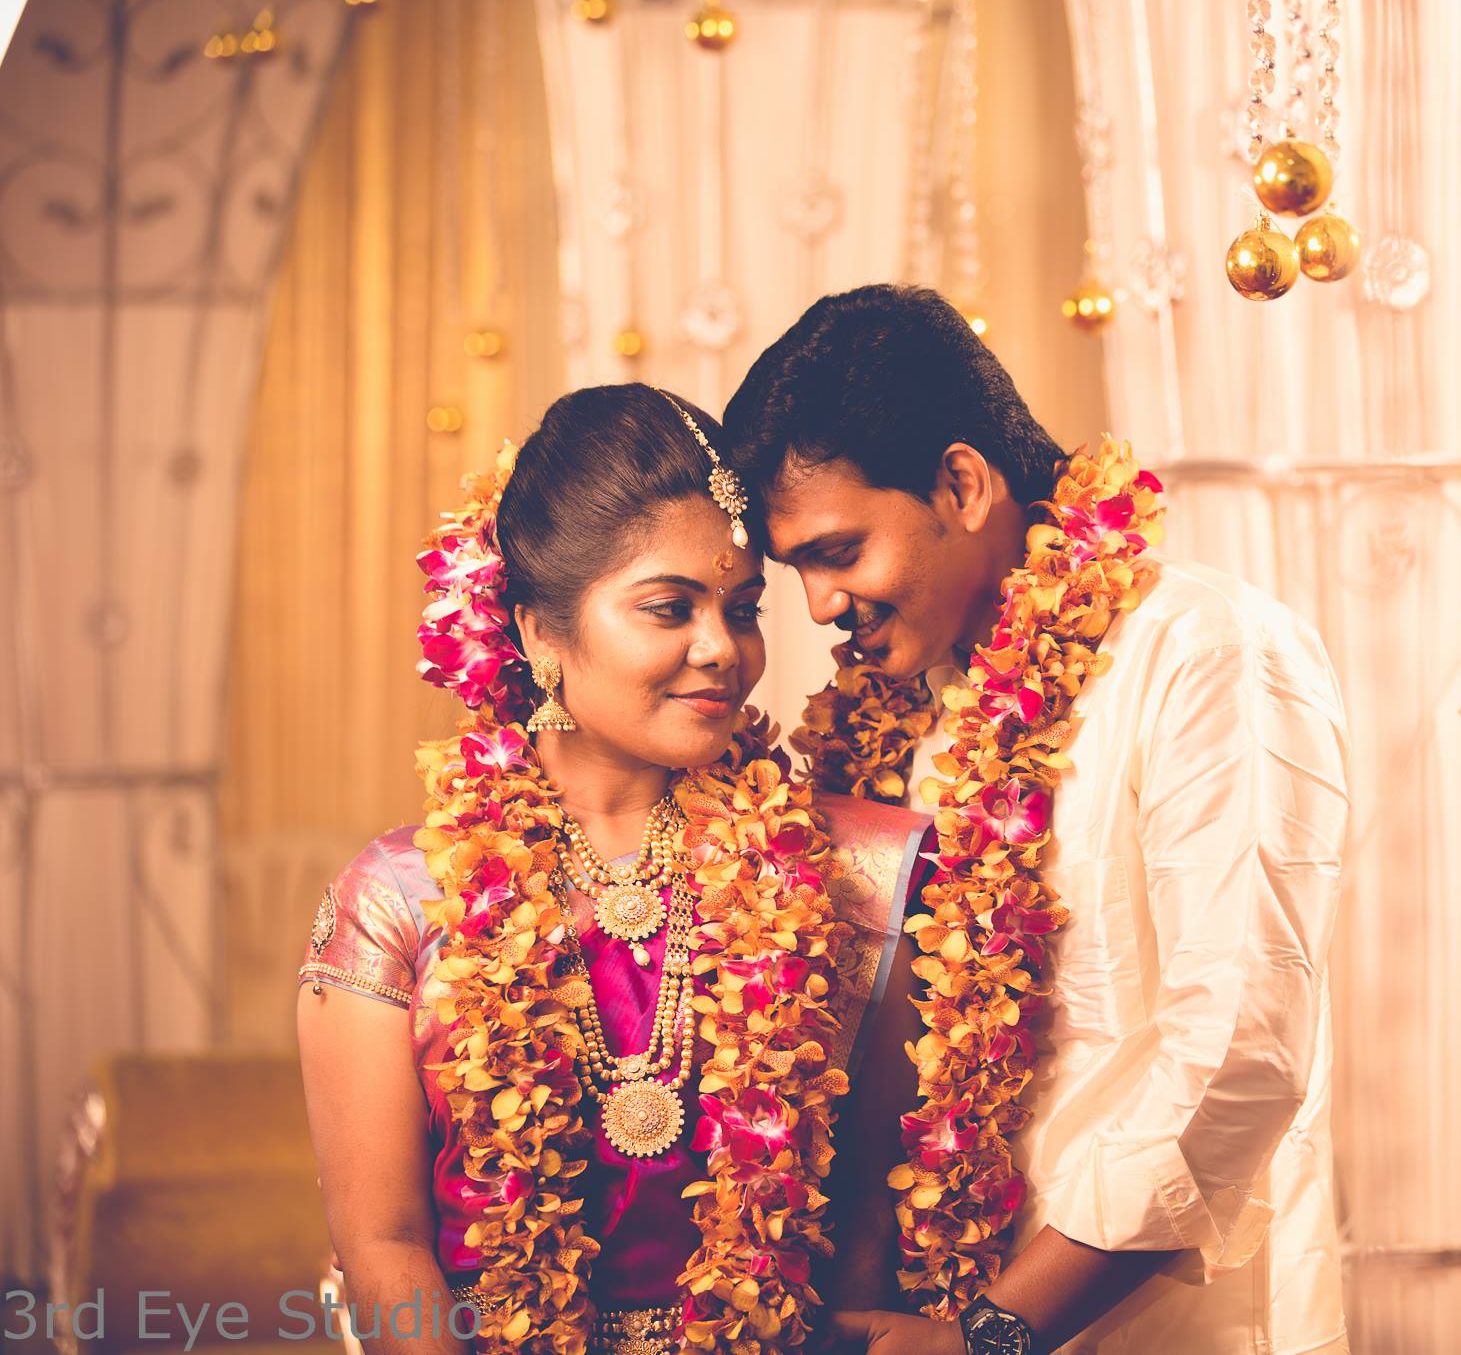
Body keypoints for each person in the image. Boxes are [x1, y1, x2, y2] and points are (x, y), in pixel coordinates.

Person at [723, 284, 1350, 1355]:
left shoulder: (1204, 654)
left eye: (837, 551)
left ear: (961, 483)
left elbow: (1238, 1051)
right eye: (796, 572)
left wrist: (991, 1337)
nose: (818, 608)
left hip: (1142, 1325)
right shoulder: (887, 712)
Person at [295, 384, 934, 1355]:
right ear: (538, 634)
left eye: (743, 607)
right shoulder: (400, 902)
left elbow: (864, 1230)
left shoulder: (843, 871)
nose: (722, 649)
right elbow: (383, 1246)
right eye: (668, 608)